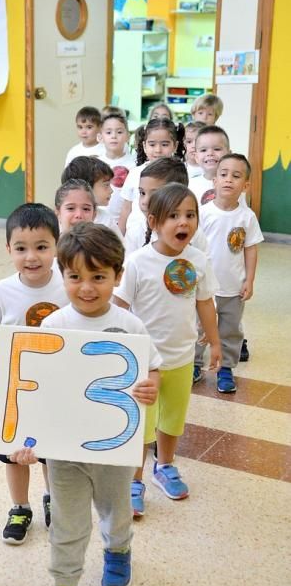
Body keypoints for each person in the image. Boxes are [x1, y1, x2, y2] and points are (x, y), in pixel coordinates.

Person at [37, 222, 161, 586]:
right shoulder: (52, 326)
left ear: (117, 276)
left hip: (113, 448)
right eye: (75, 277)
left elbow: (153, 368)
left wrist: (150, 385)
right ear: (62, 276)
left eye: (98, 277)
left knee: (116, 509)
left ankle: (119, 549)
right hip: (66, 452)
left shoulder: (131, 326)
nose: (86, 288)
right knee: (67, 524)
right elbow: (33, 384)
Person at [114, 184, 221, 516]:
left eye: (189, 215)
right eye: (173, 216)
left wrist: (216, 342)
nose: (182, 222)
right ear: (154, 221)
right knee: (141, 423)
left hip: (181, 356)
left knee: (173, 418)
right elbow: (119, 304)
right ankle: (134, 480)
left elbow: (205, 303)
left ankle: (166, 466)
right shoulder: (138, 262)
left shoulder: (199, 261)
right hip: (145, 361)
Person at [0, 203, 69, 544]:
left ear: (56, 245)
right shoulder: (1, 292)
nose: (32, 257)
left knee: (50, 452)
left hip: (55, 390)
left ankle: (52, 500)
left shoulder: (67, 284)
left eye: (42, 247)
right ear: (8, 249)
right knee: (14, 455)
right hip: (13, 393)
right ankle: (19, 507)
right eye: (21, 249)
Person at [194, 154, 263, 393]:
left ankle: (226, 368)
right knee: (197, 327)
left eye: (236, 176)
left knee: (230, 329)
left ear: (245, 186)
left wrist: (250, 280)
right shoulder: (202, 213)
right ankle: (194, 363)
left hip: (233, 288)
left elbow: (251, 248)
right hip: (203, 288)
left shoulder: (247, 217)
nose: (228, 180)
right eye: (223, 174)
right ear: (214, 180)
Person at [118, 117, 186, 235]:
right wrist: (119, 238)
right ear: (144, 146)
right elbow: (126, 209)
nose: (158, 150)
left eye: (165, 144)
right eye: (152, 144)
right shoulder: (135, 174)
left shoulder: (179, 174)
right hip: (135, 235)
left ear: (175, 146)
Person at [123, 156, 188, 256]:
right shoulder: (136, 232)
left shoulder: (192, 232)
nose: (145, 202)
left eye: (154, 194)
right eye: (142, 193)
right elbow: (127, 269)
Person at [61, 155, 123, 239]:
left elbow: (120, 249)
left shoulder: (106, 220)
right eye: (106, 185)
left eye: (86, 209)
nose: (111, 190)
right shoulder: (61, 221)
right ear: (86, 187)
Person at [97, 111, 135, 223]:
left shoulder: (134, 164)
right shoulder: (95, 163)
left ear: (128, 136)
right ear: (100, 137)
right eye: (108, 132)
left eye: (119, 132)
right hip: (99, 220)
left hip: (124, 221)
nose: (113, 136)